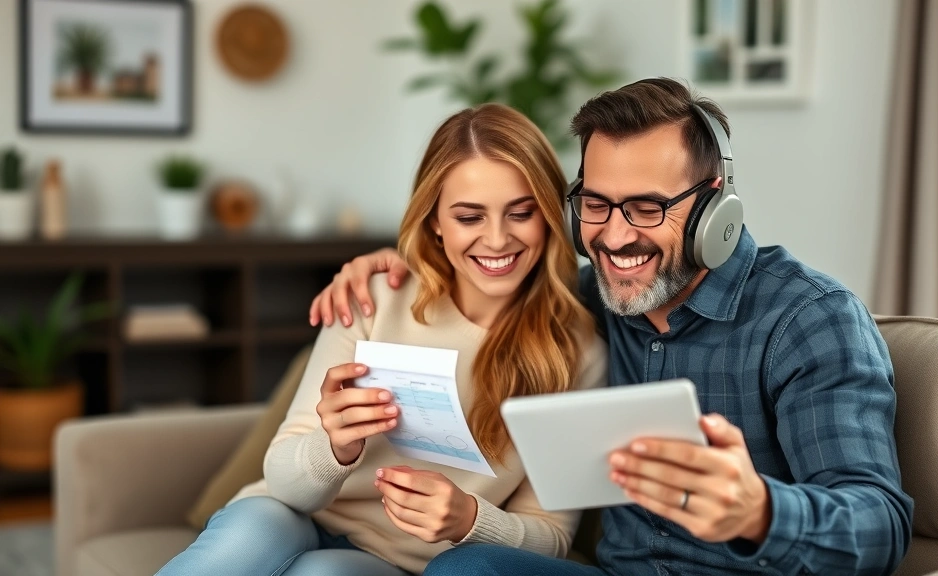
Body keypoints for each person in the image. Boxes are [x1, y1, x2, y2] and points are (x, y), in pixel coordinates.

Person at [308, 78, 914, 575]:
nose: (616, 236)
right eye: (596, 204)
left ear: (714, 205)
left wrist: (759, 512)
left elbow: (881, 526)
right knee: (467, 570)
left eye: (648, 208)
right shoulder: (582, 304)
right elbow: (476, 278)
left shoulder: (808, 320)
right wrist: (397, 269)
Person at [155, 103, 607, 576]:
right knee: (248, 534)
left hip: (397, 560)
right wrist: (333, 448)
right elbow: (284, 484)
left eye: (520, 213)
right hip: (296, 514)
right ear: (434, 219)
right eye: (469, 218)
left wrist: (471, 520)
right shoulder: (376, 295)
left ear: (552, 216)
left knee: (321, 575)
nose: (496, 240)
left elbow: (552, 535)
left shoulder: (578, 351)